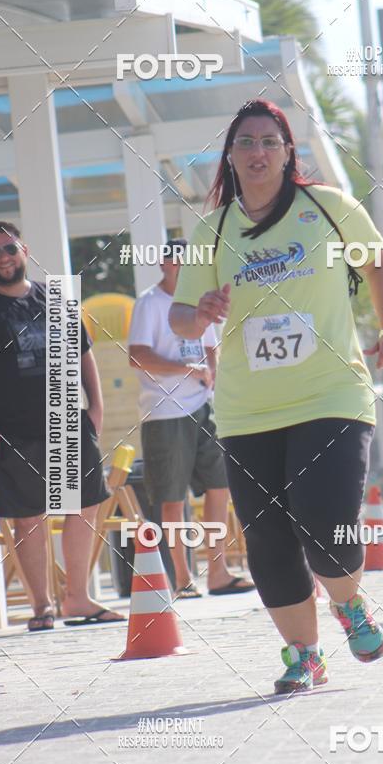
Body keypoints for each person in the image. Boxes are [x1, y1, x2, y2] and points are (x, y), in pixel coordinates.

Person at [170, 99, 383, 693]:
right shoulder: (214, 228)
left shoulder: (327, 208)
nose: (257, 152)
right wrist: (197, 312)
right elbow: (179, 318)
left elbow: (379, 265)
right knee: (270, 543)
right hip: (248, 408)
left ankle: (349, 602)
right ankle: (304, 655)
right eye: (245, 142)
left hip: (330, 392)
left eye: (268, 142)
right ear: (230, 155)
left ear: (287, 151)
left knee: (326, 524)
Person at [0, 221, 125, 630]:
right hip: (10, 429)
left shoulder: (54, 298)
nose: (3, 258)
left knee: (84, 503)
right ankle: (42, 606)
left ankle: (77, 598)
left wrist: (96, 407)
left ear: (23, 249)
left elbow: (83, 354)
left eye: (9, 249)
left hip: (67, 420)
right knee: (28, 516)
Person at [127, 239, 254, 598]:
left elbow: (211, 348)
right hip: (164, 413)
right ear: (164, 264)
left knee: (220, 487)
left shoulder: (199, 302)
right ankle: (182, 578)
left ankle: (218, 571)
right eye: (177, 260)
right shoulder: (149, 303)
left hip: (204, 407)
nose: (184, 267)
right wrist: (186, 369)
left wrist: (213, 376)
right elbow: (137, 357)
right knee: (171, 497)